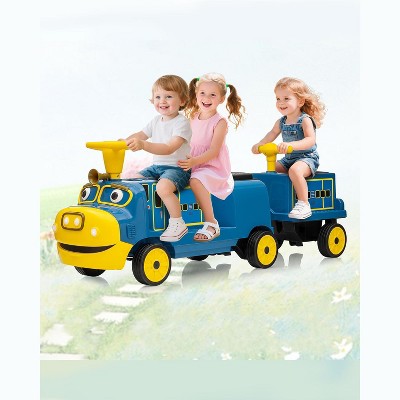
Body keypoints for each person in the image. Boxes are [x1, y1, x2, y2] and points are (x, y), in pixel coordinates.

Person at [121, 75, 192, 242]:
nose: (162, 101)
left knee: (163, 188)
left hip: (177, 168)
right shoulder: (155, 121)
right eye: (158, 97)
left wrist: (144, 145)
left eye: (169, 96)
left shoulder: (182, 123)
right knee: (134, 182)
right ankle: (141, 216)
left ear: (182, 100)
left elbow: (169, 148)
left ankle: (177, 222)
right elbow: (141, 134)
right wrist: (124, 142)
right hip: (157, 167)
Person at [178, 73, 245, 241]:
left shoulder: (220, 122)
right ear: (196, 93)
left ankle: (211, 223)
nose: (206, 98)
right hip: (193, 161)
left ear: (221, 99)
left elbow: (214, 151)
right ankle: (178, 220)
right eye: (203, 93)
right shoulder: (193, 117)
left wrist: (194, 161)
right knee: (169, 175)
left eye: (213, 95)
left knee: (196, 180)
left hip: (212, 166)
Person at [251, 77, 326, 219]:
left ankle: (304, 203)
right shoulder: (281, 122)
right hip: (289, 159)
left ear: (300, 101)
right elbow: (271, 134)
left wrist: (291, 145)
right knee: (272, 171)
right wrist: (259, 145)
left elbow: (310, 140)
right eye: (278, 99)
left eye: (286, 98)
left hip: (307, 158)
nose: (281, 102)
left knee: (295, 171)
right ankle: (275, 201)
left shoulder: (305, 120)